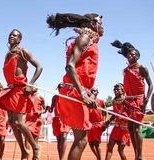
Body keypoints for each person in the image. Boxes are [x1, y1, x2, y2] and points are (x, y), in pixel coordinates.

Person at [46, 13, 104, 160]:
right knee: (82, 140)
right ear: (91, 23)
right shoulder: (84, 39)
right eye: (99, 22)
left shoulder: (90, 41)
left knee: (81, 139)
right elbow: (70, 67)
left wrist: (88, 92)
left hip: (75, 91)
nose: (102, 26)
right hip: (74, 92)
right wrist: (83, 93)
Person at [0, 29, 43, 160]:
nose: (11, 36)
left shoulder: (23, 51)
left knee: (19, 122)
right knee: (11, 121)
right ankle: (24, 150)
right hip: (10, 89)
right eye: (10, 34)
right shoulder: (7, 55)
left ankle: (35, 146)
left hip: (21, 90)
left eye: (14, 35)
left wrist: (30, 83)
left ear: (19, 39)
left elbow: (40, 67)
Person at [112, 40, 153, 160]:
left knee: (136, 128)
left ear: (138, 56)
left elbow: (150, 85)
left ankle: (139, 156)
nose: (132, 55)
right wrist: (124, 99)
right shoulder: (125, 71)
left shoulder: (142, 68)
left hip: (139, 101)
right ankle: (136, 155)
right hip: (127, 101)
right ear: (126, 56)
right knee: (130, 128)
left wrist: (146, 101)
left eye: (134, 54)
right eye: (129, 54)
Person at [104, 83, 130, 160]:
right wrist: (108, 121)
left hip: (125, 129)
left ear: (122, 90)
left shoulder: (127, 100)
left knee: (120, 150)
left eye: (117, 89)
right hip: (116, 128)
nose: (115, 91)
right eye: (114, 89)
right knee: (109, 147)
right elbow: (115, 114)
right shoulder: (114, 101)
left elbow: (132, 114)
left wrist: (126, 117)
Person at [46, 84, 71, 160]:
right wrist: (48, 108)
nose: (60, 89)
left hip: (65, 119)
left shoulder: (69, 97)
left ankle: (63, 158)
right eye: (59, 88)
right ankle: (61, 158)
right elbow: (51, 110)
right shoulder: (55, 97)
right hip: (57, 120)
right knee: (59, 141)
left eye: (61, 87)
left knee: (64, 137)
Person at [87, 87, 106, 160]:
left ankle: (99, 158)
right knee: (91, 144)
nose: (93, 92)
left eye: (95, 91)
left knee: (96, 143)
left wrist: (104, 122)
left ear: (98, 92)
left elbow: (105, 112)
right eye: (91, 91)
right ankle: (98, 157)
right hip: (90, 125)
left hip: (98, 124)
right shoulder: (87, 102)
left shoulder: (101, 101)